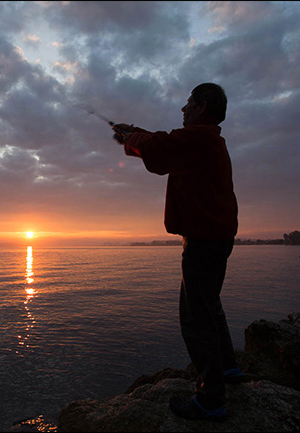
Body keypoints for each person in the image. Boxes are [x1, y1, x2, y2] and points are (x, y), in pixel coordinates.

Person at [112, 82, 243, 422]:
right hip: (216, 237)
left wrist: (130, 138)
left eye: (188, 104)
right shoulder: (207, 141)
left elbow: (159, 150)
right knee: (209, 305)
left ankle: (210, 399)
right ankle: (228, 368)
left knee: (195, 316)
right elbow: (161, 145)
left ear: (203, 105)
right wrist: (133, 135)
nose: (182, 110)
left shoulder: (198, 139)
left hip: (203, 241)